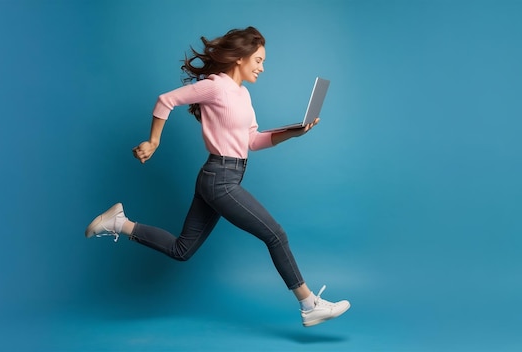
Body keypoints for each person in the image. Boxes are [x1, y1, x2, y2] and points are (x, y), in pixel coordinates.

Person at [85, 26, 350, 327]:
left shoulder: (243, 94)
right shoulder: (216, 86)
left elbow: (253, 140)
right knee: (275, 234)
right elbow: (165, 100)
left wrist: (294, 132)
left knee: (181, 250)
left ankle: (118, 222)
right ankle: (308, 303)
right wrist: (154, 141)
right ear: (240, 58)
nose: (263, 67)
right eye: (259, 60)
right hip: (219, 178)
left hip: (224, 178)